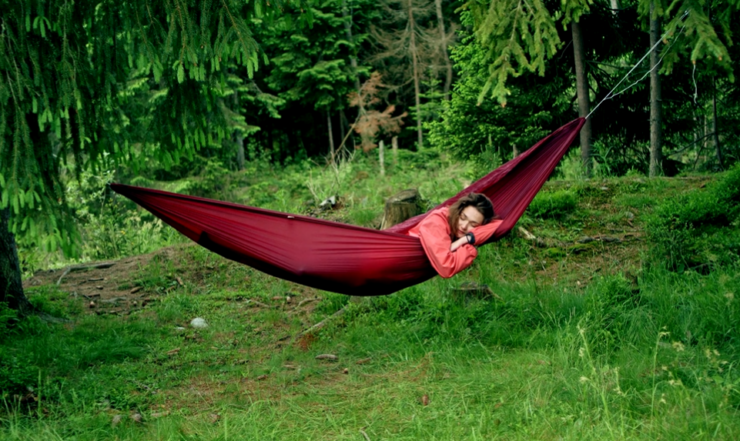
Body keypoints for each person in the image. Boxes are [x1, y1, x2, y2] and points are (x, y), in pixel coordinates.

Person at [408, 193, 502, 278]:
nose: (464, 226)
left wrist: (465, 239)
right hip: (399, 255)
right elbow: (447, 267)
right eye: (462, 218)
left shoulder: (458, 229)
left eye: (473, 225)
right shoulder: (436, 222)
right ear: (458, 211)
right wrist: (470, 250)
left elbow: (501, 223)